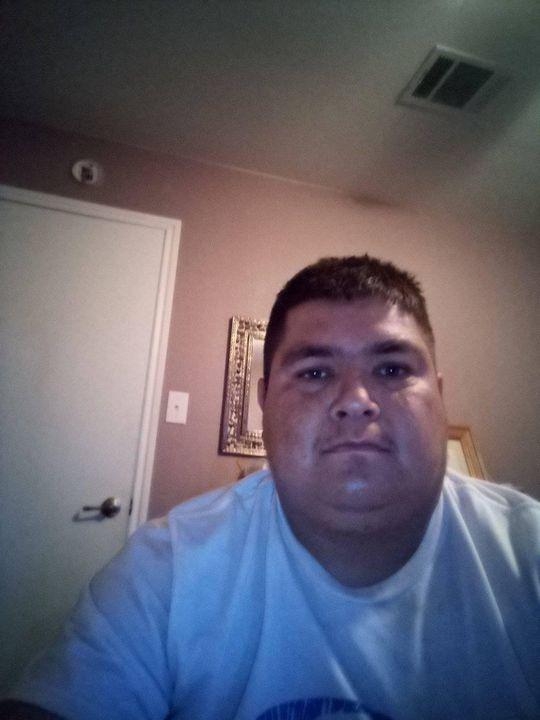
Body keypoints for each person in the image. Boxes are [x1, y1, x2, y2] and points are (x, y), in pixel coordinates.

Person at [1, 255, 539, 720]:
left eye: (393, 369)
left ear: (439, 397)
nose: (356, 401)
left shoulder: (528, 554)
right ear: (264, 402)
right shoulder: (168, 568)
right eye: (315, 373)